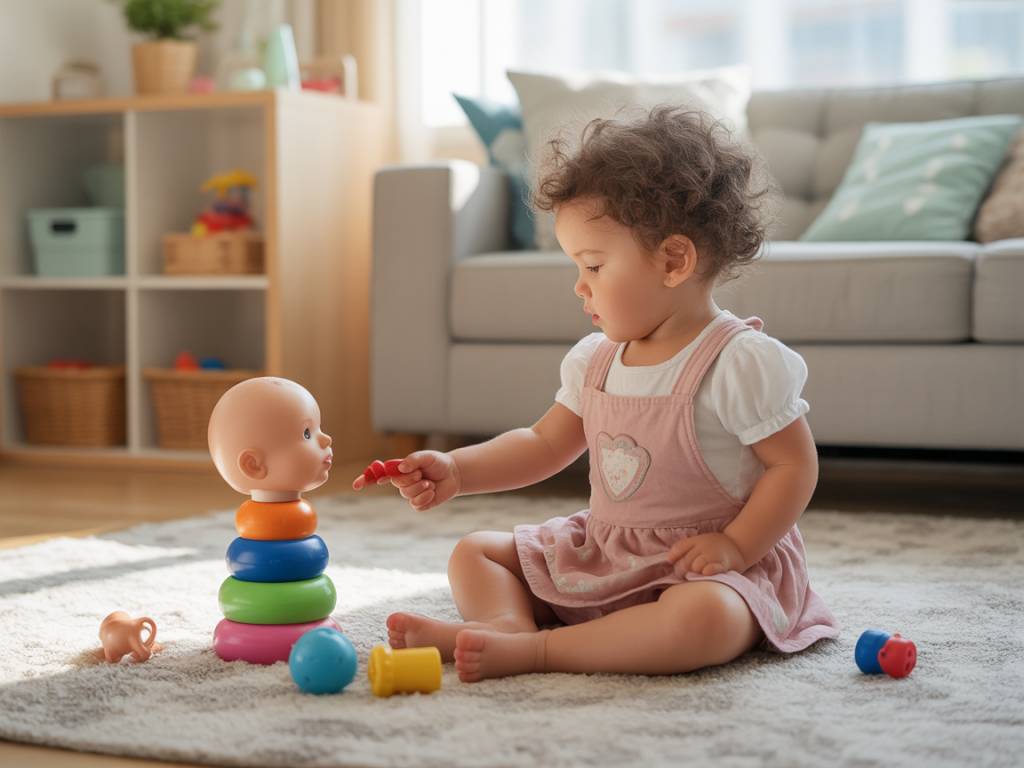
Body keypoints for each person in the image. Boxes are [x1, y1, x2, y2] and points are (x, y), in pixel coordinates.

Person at [354, 106, 839, 682]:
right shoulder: (596, 360)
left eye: (593, 265)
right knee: (474, 552)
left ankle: (539, 652)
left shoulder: (739, 361)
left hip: (702, 567)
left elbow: (794, 466)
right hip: (609, 554)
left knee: (705, 619)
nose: (579, 286)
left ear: (673, 261)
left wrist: (735, 546)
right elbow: (542, 443)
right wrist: (458, 470)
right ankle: (507, 626)